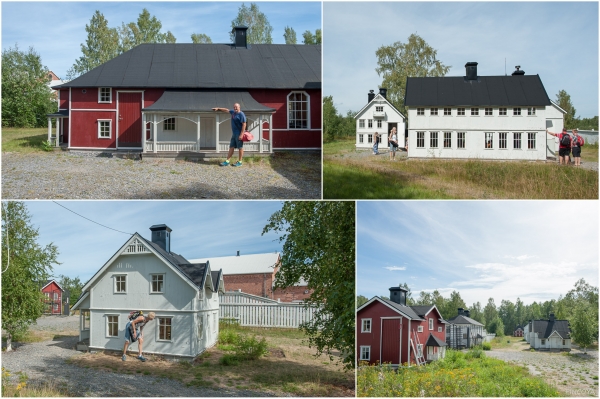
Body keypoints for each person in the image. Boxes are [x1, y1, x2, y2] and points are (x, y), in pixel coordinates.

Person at [212, 103, 246, 167]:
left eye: (236, 107)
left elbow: (244, 124)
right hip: (234, 134)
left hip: (239, 134)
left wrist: (241, 134)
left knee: (240, 147)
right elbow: (226, 110)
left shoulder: (241, 114)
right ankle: (227, 161)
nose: (235, 108)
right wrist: (218, 108)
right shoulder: (233, 112)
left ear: (239, 107)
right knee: (231, 147)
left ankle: (240, 162)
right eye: (234, 107)